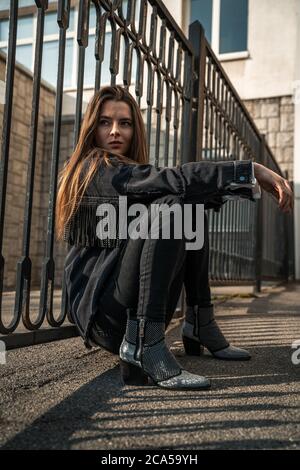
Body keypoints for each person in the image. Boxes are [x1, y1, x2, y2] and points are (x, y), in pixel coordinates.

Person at [56, 85, 293, 391]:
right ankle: (144, 345)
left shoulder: (130, 172)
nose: (115, 131)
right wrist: (250, 171)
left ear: (135, 129)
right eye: (104, 122)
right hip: (105, 317)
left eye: (124, 123)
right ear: (92, 128)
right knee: (173, 204)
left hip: (127, 306)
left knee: (187, 204)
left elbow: (177, 186)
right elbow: (172, 180)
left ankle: (199, 323)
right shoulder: (95, 169)